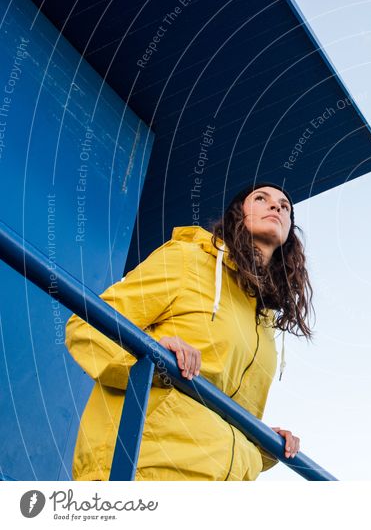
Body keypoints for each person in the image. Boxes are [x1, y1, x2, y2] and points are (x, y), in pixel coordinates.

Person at [65, 183, 313, 481]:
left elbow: (222, 411)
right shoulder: (187, 260)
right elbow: (88, 328)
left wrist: (260, 444)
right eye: (261, 199)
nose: (276, 207)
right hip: (142, 470)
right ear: (237, 213)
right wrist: (153, 355)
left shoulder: (265, 320)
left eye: (285, 206)